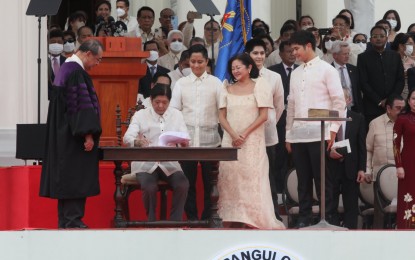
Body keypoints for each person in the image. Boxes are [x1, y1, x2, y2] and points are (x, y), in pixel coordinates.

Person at [39, 39, 103, 229]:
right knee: (76, 175)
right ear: (88, 54)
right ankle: (73, 220)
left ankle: (66, 220)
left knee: (67, 176)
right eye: (98, 59)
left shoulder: (66, 69)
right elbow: (80, 107)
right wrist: (88, 134)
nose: (98, 64)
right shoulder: (76, 72)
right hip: (74, 136)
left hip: (63, 134)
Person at [217, 53, 285, 229]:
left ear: (249, 67)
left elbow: (263, 116)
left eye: (239, 67)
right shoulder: (226, 87)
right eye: (232, 68)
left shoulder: (260, 86)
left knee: (252, 178)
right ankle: (232, 217)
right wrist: (233, 134)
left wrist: (244, 134)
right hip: (230, 141)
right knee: (232, 179)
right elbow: (221, 116)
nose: (235, 71)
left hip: (252, 141)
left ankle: (254, 218)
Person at [286, 30, 346, 227]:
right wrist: (288, 134)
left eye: (296, 49)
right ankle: (304, 218)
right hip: (298, 135)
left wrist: (333, 130)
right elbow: (292, 105)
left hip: (320, 132)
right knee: (302, 180)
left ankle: (327, 216)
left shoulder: (326, 70)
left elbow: (339, 102)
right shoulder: (294, 73)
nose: (294, 53)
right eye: (292, 49)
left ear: (308, 46)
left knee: (323, 180)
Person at [170, 44, 222, 220]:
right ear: (188, 62)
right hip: (187, 141)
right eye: (193, 62)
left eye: (200, 61)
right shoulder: (181, 84)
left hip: (211, 141)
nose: (197, 65)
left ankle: (208, 218)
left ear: (207, 61)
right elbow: (174, 112)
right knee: (187, 183)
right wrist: (178, 137)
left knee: (211, 184)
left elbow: (222, 111)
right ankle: (192, 218)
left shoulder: (216, 83)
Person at [123, 83, 190, 221]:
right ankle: (151, 222)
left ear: (170, 102)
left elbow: (185, 137)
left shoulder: (176, 115)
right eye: (157, 102)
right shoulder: (141, 114)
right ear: (151, 100)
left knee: (182, 184)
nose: (160, 106)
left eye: (165, 102)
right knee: (149, 186)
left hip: (169, 162)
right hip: (146, 163)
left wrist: (184, 142)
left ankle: (174, 223)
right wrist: (137, 142)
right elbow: (127, 137)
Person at [244, 38, 284, 220]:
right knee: (249, 176)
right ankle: (250, 215)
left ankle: (272, 215)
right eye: (255, 53)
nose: (259, 56)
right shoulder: (240, 75)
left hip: (268, 135)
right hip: (246, 137)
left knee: (269, 176)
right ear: (247, 55)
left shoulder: (274, 77)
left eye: (261, 53)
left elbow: (279, 106)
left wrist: (267, 124)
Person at [327, 89, 366, 229]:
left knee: (351, 205)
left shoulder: (358, 118)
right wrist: (328, 153)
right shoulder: (326, 118)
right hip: (331, 167)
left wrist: (362, 169)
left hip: (351, 167)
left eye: (341, 98)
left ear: (348, 100)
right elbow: (319, 144)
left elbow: (361, 146)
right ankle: (332, 232)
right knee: (330, 205)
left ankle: (350, 235)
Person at [366, 94, 405, 228]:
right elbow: (368, 150)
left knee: (405, 213)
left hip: (403, 177)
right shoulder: (375, 124)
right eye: (398, 108)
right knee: (380, 217)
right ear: (388, 108)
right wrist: (367, 171)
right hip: (379, 178)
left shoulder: (409, 123)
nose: (402, 111)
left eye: (403, 108)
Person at [357, 25, 405, 126]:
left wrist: (390, 99)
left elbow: (400, 80)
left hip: (393, 106)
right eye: (375, 36)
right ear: (370, 40)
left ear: (386, 38)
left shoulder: (395, 56)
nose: (378, 38)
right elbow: (363, 83)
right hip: (371, 107)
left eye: (381, 36)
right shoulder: (363, 58)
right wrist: (379, 101)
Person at [268, 41, 298, 193]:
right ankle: (279, 190)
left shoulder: (302, 70)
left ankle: (294, 191)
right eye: (288, 51)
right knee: (279, 157)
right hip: (278, 121)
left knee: (296, 158)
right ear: (280, 54)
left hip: (298, 122)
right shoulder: (272, 71)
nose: (292, 54)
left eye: (294, 51)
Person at [393, 88, 415, 229]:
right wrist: (399, 165)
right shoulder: (402, 119)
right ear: (408, 101)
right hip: (408, 165)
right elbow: (395, 143)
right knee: (408, 197)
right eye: (414, 98)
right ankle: (407, 229)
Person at [331, 41, 363, 113]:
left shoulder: (354, 69)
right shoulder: (328, 70)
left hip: (354, 109)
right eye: (344, 54)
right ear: (335, 55)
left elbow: (358, 92)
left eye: (348, 53)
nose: (347, 56)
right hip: (335, 110)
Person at [48, 29, 66, 100]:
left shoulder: (67, 62)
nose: (56, 44)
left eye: (59, 42)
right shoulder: (42, 62)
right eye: (53, 42)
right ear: (47, 43)